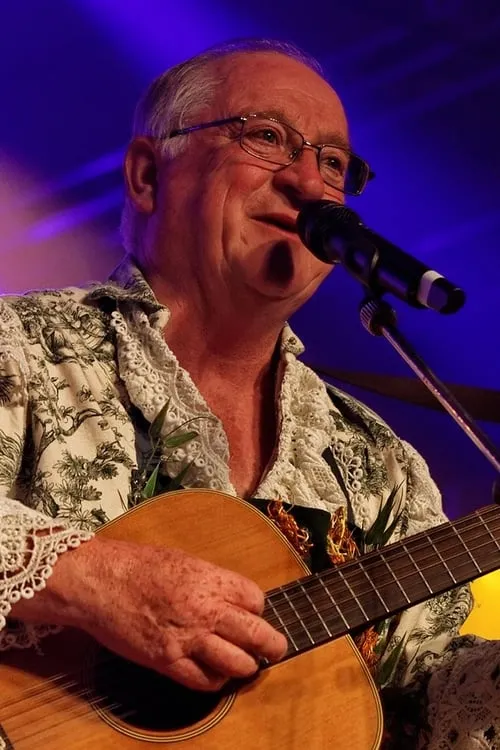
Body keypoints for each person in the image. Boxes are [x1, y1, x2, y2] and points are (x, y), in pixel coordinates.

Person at [0, 38, 498, 748]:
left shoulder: (378, 463)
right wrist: (95, 580)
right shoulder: (17, 346)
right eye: (266, 137)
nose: (311, 185)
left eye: (333, 163)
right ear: (147, 175)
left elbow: (425, 704)